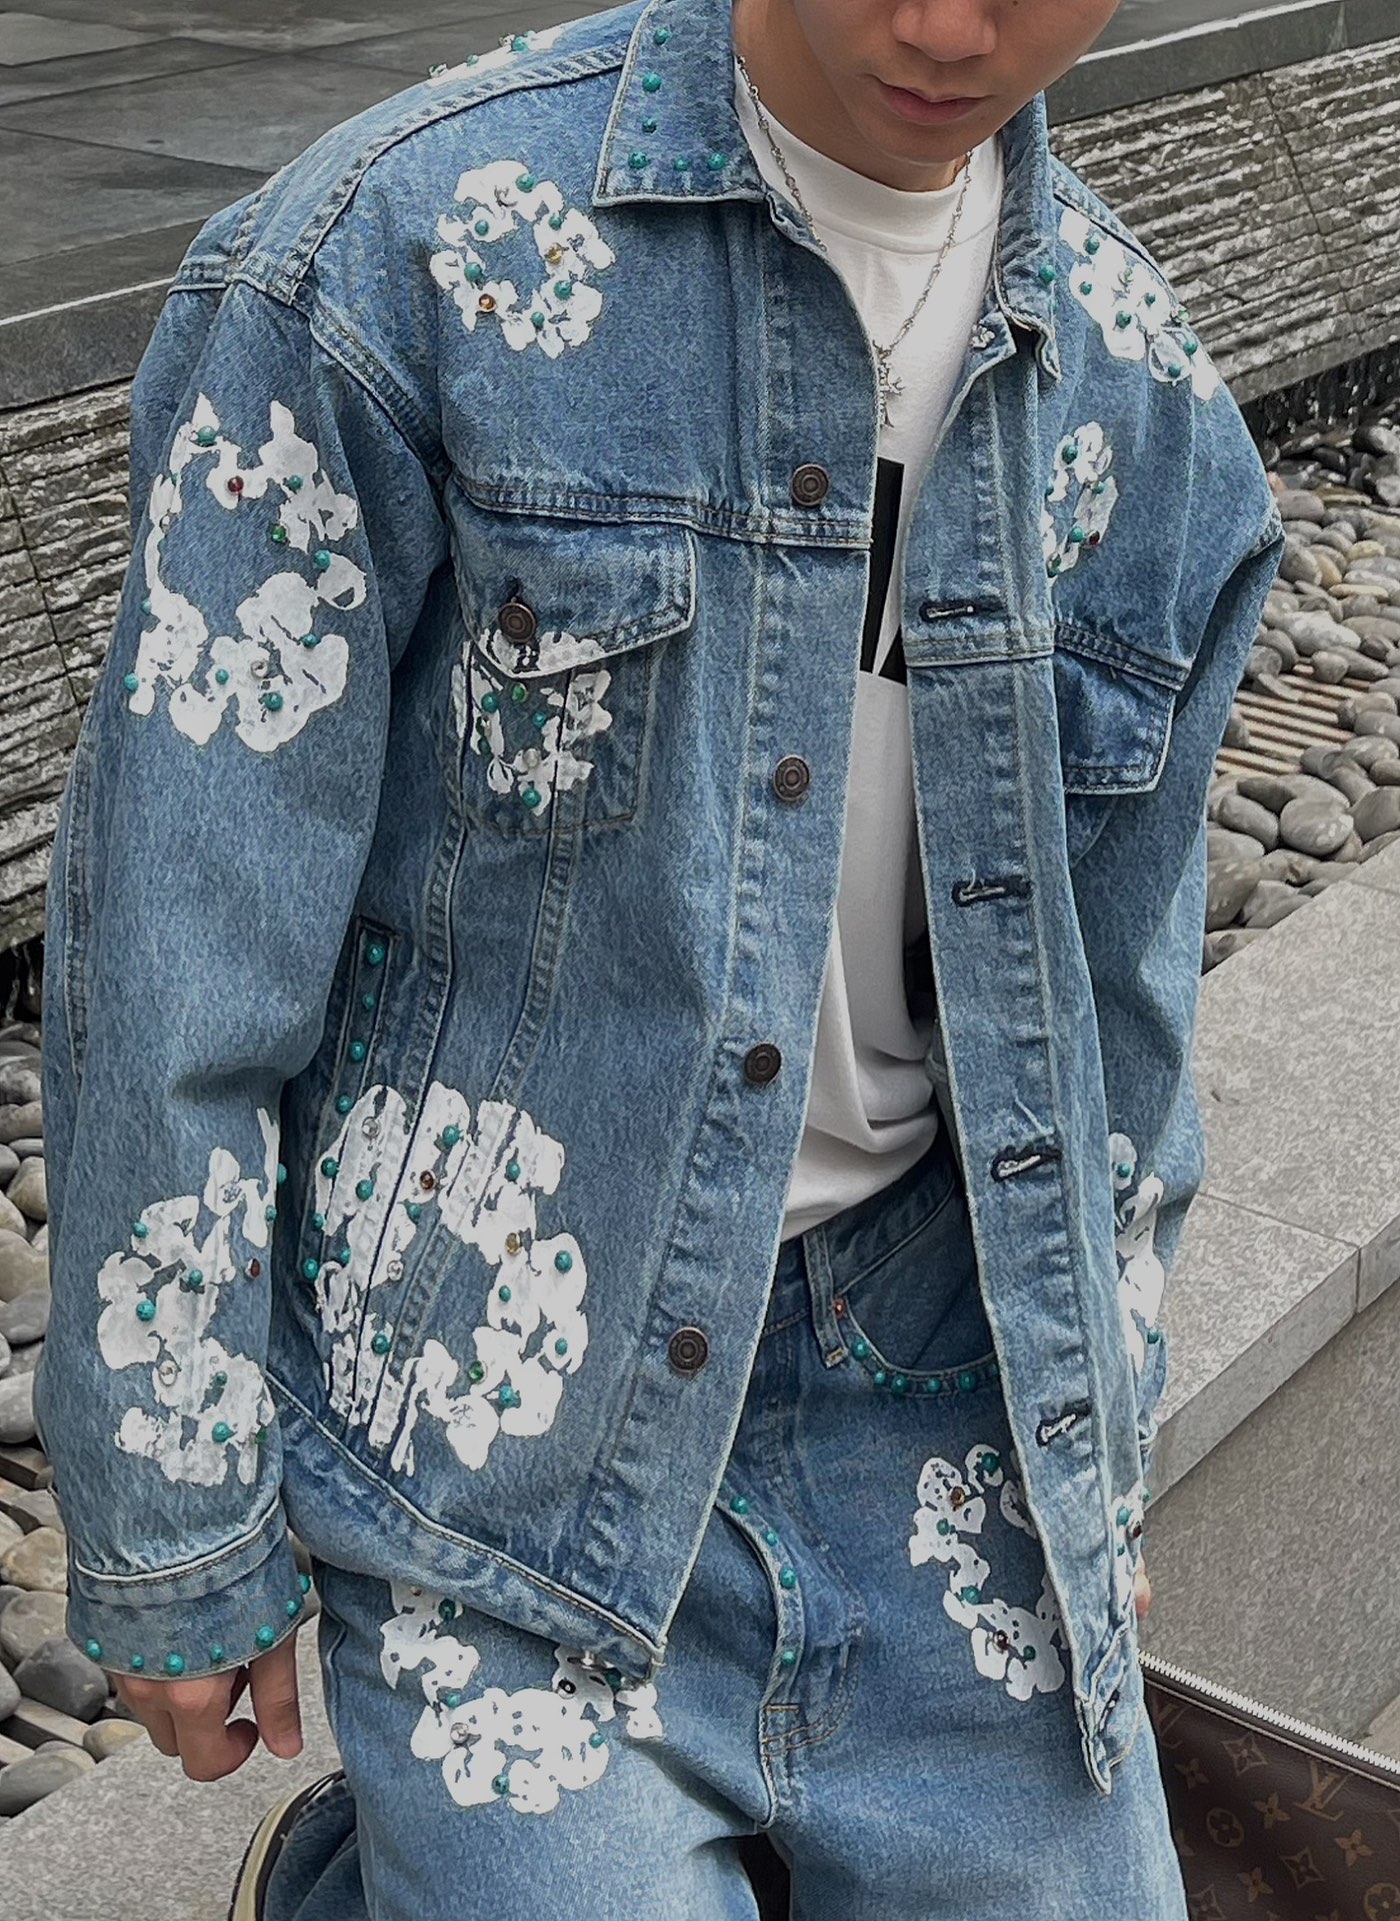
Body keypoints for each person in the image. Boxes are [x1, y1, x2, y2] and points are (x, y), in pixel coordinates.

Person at [33, 0, 1283, 1913]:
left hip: (935, 1392)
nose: (944, 25)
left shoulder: (1149, 409)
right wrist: (174, 1508)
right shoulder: (402, 260)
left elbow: (1125, 1029)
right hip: (493, 1411)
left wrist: (1092, 1452)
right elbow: (182, 930)